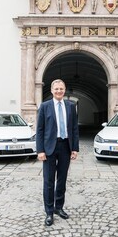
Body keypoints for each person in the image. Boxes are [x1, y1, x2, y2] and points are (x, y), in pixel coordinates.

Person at [36, 79, 79, 226]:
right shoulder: (45, 106)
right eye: (56, 89)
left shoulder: (71, 106)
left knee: (62, 180)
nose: (59, 91)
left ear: (64, 89)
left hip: (65, 146)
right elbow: (40, 130)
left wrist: (75, 148)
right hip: (49, 148)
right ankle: (49, 212)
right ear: (52, 91)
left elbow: (74, 128)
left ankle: (58, 207)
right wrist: (40, 150)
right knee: (48, 181)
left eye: (61, 89)